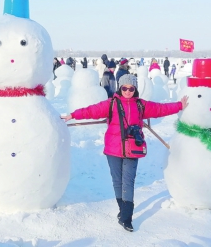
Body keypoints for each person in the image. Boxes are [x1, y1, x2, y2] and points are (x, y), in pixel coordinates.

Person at [61, 74, 188, 232]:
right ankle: (122, 210)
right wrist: (73, 115)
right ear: (120, 88)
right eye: (125, 88)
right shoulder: (112, 104)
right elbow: (92, 111)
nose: (128, 91)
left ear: (135, 89)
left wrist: (179, 106)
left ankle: (126, 217)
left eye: (131, 88)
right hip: (113, 149)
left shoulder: (141, 105)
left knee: (128, 181)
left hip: (133, 149)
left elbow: (160, 109)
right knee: (117, 181)